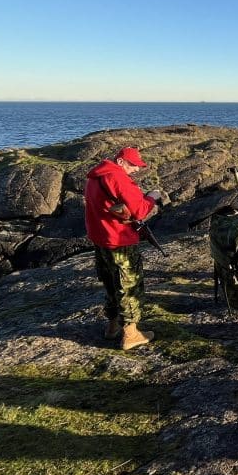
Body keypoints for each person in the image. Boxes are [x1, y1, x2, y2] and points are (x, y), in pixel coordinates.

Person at [84, 147, 162, 350]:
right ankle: (131, 334)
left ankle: (113, 326)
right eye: (133, 165)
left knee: (110, 282)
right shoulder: (117, 177)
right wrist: (152, 197)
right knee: (129, 284)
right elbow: (140, 210)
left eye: (138, 166)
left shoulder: (94, 177)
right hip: (119, 240)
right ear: (120, 162)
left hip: (100, 238)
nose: (136, 169)